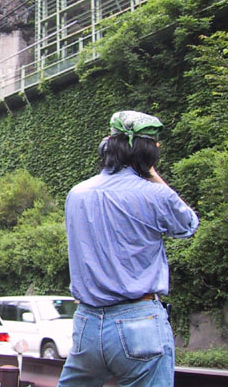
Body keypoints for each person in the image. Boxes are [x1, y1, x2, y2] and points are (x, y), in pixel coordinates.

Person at [58, 111, 199, 387]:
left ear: (107, 147)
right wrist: (151, 174)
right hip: (139, 322)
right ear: (149, 155)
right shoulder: (156, 195)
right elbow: (188, 225)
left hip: (87, 324)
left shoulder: (77, 194)